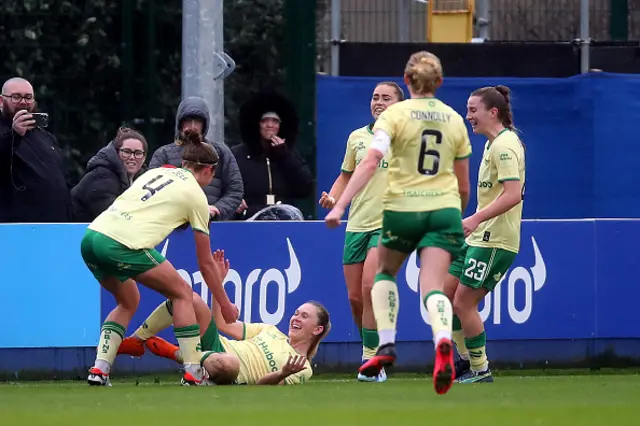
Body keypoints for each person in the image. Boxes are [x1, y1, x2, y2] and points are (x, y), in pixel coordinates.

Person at [325, 51, 472, 395]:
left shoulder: (396, 117)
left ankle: (386, 345)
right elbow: (463, 185)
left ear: (407, 83)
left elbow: (372, 160)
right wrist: (455, 216)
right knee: (433, 288)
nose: (378, 102)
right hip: (443, 210)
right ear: (440, 82)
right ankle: (442, 340)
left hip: (400, 211)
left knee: (383, 277)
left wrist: (338, 206)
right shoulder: (453, 119)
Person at [81, 130, 239, 387]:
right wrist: (225, 304)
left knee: (128, 300)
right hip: (122, 244)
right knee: (182, 294)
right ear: (209, 171)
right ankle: (192, 372)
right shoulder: (197, 195)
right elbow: (206, 263)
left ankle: (99, 370)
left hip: (92, 237)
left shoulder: (157, 171)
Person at [118, 250, 331, 386]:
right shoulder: (270, 330)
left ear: (317, 329)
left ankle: (178, 354)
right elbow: (222, 324)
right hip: (216, 344)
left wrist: (282, 374)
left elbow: (262, 385)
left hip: (229, 370)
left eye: (304, 316)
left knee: (229, 363)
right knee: (188, 297)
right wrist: (217, 284)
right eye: (296, 313)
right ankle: (138, 340)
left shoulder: (302, 367)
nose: (296, 318)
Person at [318, 81, 404, 382]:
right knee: (356, 299)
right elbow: (346, 176)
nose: (378, 102)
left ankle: (371, 362)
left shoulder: (406, 138)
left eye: (386, 98)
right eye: (375, 97)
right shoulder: (357, 137)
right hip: (356, 224)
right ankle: (373, 347)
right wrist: (333, 198)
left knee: (370, 286)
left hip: (388, 225)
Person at [445, 85, 526, 384]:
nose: (468, 116)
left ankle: (480, 369)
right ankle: (466, 361)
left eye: (473, 110)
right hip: (479, 237)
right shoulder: (493, 144)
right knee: (445, 294)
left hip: (495, 239)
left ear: (493, 112)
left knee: (463, 303)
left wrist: (474, 219)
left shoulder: (505, 145)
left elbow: (513, 195)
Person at [149, 96, 243, 221]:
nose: (192, 126)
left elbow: (235, 190)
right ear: (180, 123)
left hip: (213, 226)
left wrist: (216, 210)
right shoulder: (163, 154)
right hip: (173, 227)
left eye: (197, 121)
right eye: (188, 121)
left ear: (205, 124)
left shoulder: (221, 152)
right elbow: (152, 191)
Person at [232, 90, 314, 219]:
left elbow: (305, 189)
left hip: (285, 220)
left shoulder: (291, 154)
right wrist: (234, 201)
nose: (270, 125)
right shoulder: (238, 154)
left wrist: (285, 156)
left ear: (281, 126)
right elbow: (225, 187)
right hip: (248, 220)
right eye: (265, 120)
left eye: (275, 121)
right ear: (256, 124)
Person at [0, 77, 71, 222]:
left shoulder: (45, 136)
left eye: (28, 97)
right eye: (16, 97)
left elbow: (61, 175)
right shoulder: (4, 133)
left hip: (56, 223)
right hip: (17, 227)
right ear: (1, 101)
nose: (23, 102)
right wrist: (14, 135)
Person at [71, 127, 148, 222]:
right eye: (126, 152)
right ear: (116, 153)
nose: (132, 157)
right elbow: (113, 217)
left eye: (138, 153)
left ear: (144, 157)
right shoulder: (101, 176)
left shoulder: (143, 180)